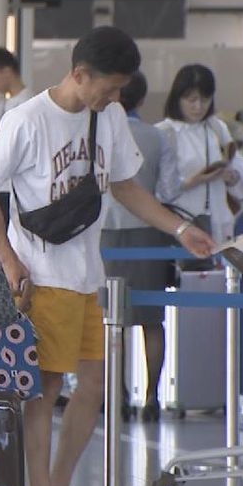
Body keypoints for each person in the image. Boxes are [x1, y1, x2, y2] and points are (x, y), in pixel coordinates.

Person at [0, 27, 215, 486]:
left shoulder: (107, 119)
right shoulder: (27, 120)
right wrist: (7, 259)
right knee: (45, 387)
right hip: (42, 276)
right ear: (79, 74)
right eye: (107, 87)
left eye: (119, 89)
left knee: (96, 385)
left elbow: (124, 185)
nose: (113, 98)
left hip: (88, 277)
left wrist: (181, 228)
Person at [100, 72, 177, 423]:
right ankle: (151, 398)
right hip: (150, 232)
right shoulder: (159, 136)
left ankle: (115, 397)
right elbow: (170, 189)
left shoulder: (99, 132)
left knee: (113, 321)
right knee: (150, 321)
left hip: (105, 234)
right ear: (143, 100)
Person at [155, 64, 243, 243]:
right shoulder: (163, 132)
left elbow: (241, 174)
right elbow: (154, 190)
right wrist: (194, 181)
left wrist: (232, 177)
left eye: (205, 99)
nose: (198, 107)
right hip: (178, 226)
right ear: (178, 98)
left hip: (218, 223)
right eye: (191, 100)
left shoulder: (216, 128)